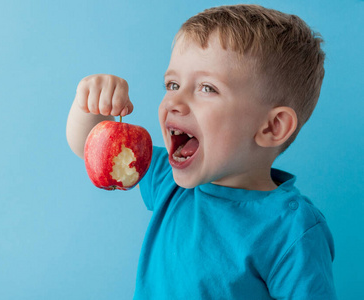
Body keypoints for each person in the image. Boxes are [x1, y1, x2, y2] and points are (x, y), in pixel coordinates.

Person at [66, 4, 336, 299]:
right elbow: (88, 147)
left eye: (207, 88)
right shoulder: (168, 180)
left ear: (271, 127)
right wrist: (89, 103)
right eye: (173, 84)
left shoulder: (293, 231)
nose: (174, 102)